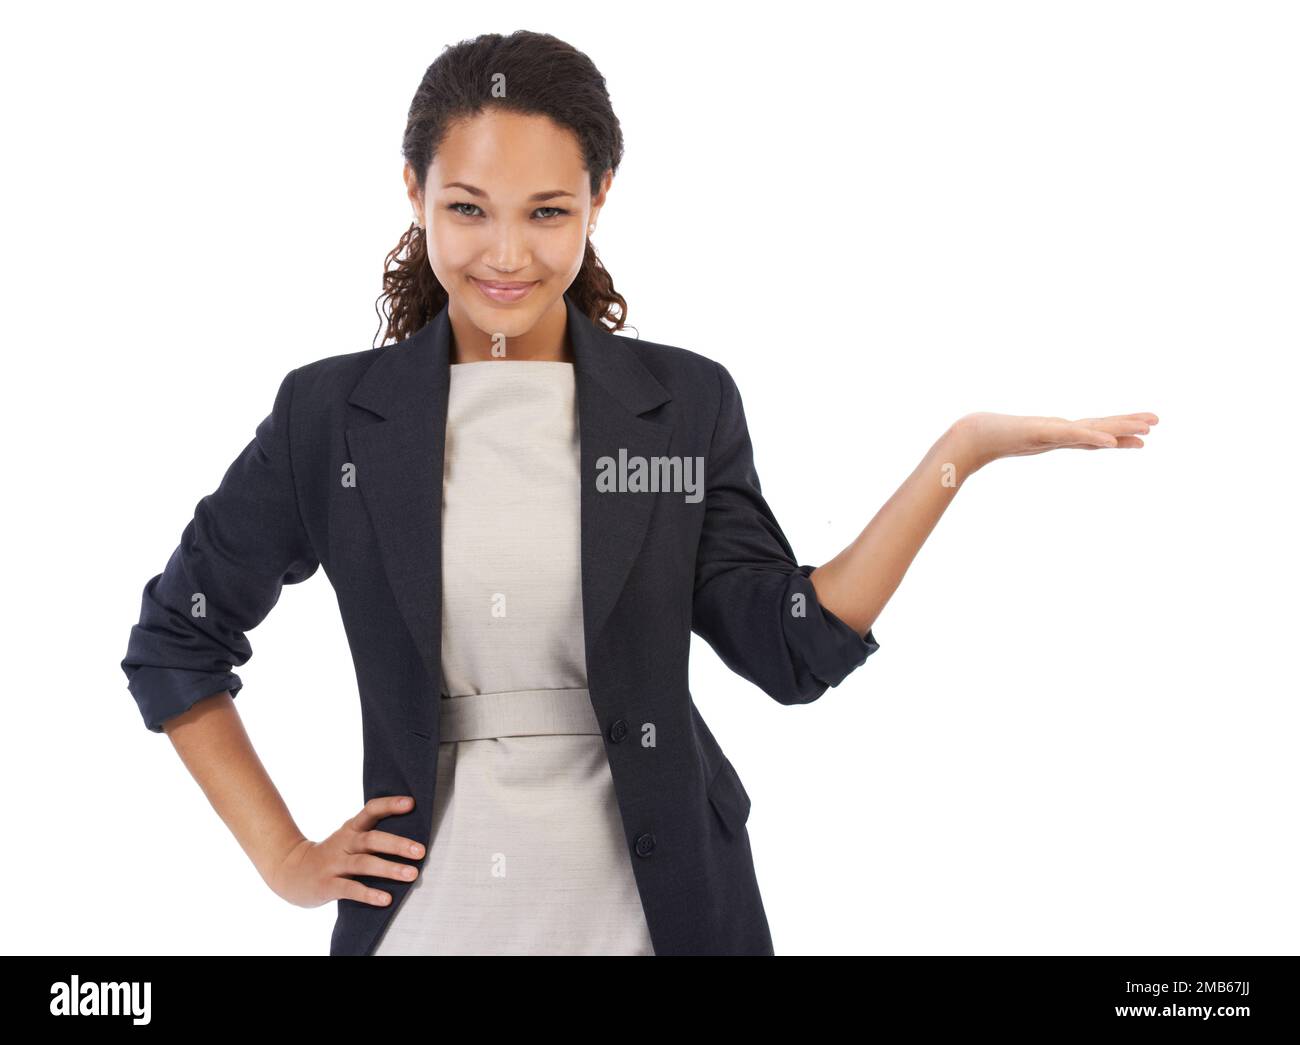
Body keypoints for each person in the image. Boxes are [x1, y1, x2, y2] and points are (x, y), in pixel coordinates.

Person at [120, 30, 1158, 956]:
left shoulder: (681, 403)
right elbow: (177, 640)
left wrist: (958, 454)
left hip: (661, 917)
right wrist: (284, 858)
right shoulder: (333, 417)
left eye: (548, 212)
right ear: (412, 193)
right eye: (468, 210)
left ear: (599, 202)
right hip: (430, 919)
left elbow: (789, 647)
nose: (508, 254)